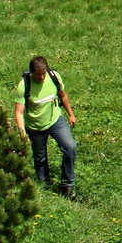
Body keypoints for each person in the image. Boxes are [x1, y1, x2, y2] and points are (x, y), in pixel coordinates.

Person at [14, 56, 78, 197]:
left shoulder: (54, 76)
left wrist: (70, 114)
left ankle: (67, 185)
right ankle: (45, 188)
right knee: (40, 158)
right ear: (32, 73)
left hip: (56, 120)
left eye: (43, 73)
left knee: (70, 147)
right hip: (35, 126)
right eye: (38, 74)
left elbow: (63, 95)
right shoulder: (24, 85)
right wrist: (22, 133)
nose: (42, 77)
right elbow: (18, 112)